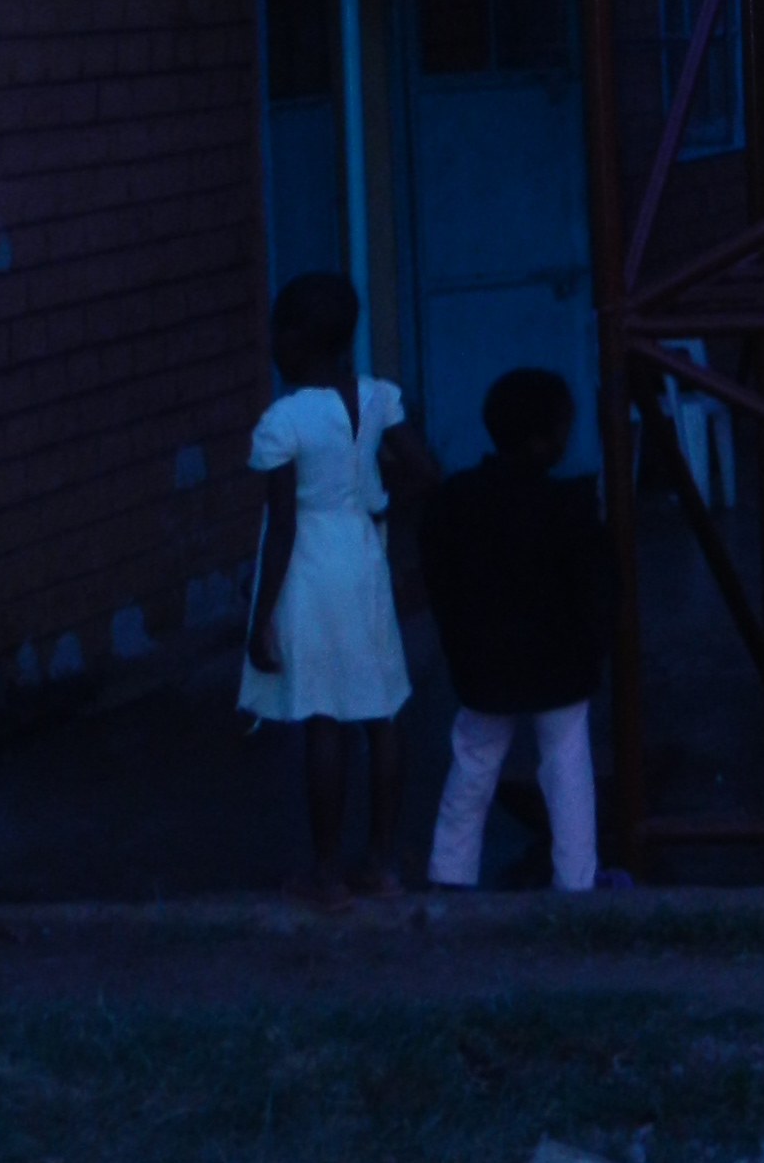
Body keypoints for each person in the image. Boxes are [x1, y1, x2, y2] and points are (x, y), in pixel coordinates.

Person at [240, 270, 421, 905]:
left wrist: (260, 619)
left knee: (324, 717)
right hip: (363, 553)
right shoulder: (377, 398)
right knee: (381, 712)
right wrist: (378, 499)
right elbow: (426, 471)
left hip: (311, 567)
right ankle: (382, 865)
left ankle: (327, 873)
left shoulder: (283, 420)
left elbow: (282, 528)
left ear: (293, 340)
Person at [419, 365, 617, 892]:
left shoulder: (455, 499)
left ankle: (449, 876)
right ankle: (576, 882)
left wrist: (459, 644)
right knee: (567, 766)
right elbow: (596, 590)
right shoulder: (569, 506)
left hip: (484, 664)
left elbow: (438, 578)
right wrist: (594, 647)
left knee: (473, 764)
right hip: (560, 665)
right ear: (542, 440)